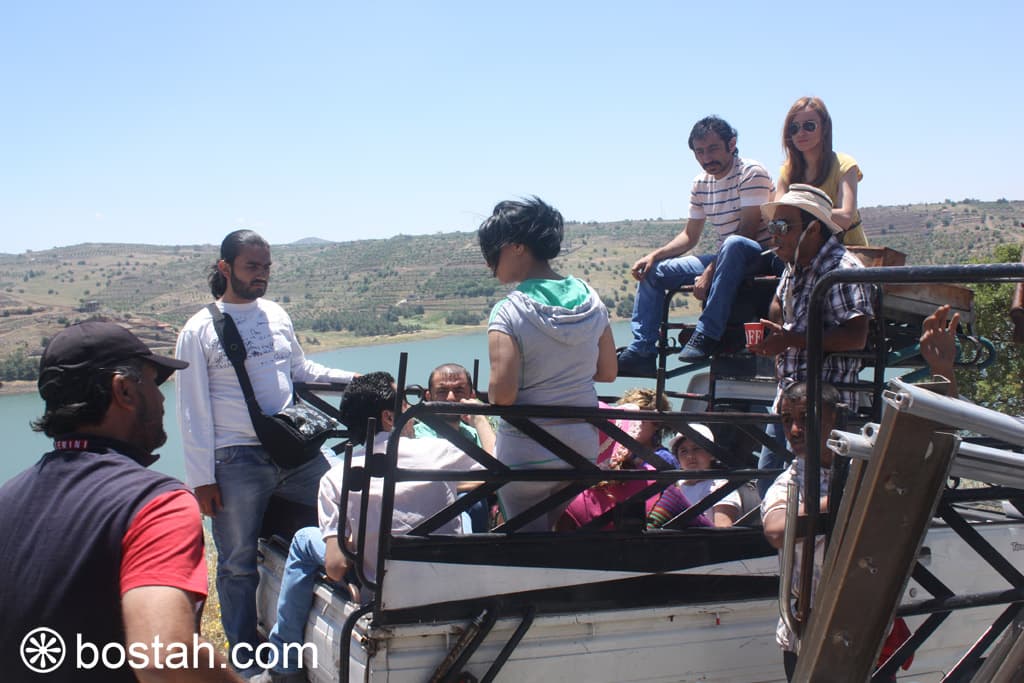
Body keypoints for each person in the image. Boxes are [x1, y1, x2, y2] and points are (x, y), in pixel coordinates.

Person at [0, 322, 241, 681]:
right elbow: (163, 656)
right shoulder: (156, 504)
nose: (162, 398)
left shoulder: (7, 498)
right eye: (154, 383)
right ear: (124, 390)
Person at [175, 229, 357, 677]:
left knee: (349, 512)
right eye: (252, 266)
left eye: (266, 267)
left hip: (294, 452)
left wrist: (359, 381)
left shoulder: (275, 314)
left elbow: (300, 371)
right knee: (237, 564)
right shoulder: (199, 329)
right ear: (225, 268)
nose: (261, 275)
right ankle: (245, 660)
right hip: (236, 459)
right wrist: (202, 479)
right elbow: (192, 409)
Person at [258, 372, 478, 681]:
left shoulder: (335, 478)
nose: (412, 414)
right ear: (389, 417)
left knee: (304, 539)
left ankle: (284, 665)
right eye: (405, 405)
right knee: (463, 516)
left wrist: (351, 545)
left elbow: (336, 567)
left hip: (381, 593)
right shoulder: (438, 452)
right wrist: (480, 418)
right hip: (445, 586)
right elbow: (500, 463)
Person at [479, 196, 617, 531]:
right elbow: (608, 372)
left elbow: (503, 396)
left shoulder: (508, 311)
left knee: (524, 539)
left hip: (526, 451)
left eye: (492, 251)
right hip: (581, 450)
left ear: (517, 247)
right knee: (550, 536)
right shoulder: (592, 301)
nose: (489, 263)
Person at [762, 382, 910, 681]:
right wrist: (845, 498)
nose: (795, 430)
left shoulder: (867, 466)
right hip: (811, 634)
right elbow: (776, 530)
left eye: (806, 418)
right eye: (787, 420)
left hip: (868, 629)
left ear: (837, 417)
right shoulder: (790, 482)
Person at [617, 116, 780, 375]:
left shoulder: (751, 172)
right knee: (654, 272)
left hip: (758, 255)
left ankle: (707, 334)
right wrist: (654, 256)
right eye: (700, 152)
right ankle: (642, 351)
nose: (706, 158)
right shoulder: (701, 183)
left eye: (713, 149)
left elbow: (748, 231)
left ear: (731, 144)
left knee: (734, 243)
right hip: (724, 257)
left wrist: (708, 272)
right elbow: (689, 236)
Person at [749, 184, 873, 496]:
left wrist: (790, 339)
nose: (774, 236)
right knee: (769, 484)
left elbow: (856, 336)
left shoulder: (842, 270)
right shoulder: (794, 269)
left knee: (817, 495)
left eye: (782, 226)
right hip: (788, 401)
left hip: (824, 410)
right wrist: (773, 332)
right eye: (771, 227)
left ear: (813, 229)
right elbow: (779, 308)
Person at [557, 388, 707, 531]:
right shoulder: (637, 461)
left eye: (640, 419)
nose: (636, 424)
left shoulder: (662, 459)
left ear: (657, 424)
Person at [414, 362, 496, 531]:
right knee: (471, 501)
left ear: (471, 395)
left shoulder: (474, 433)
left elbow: (499, 470)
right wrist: (484, 483)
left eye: (459, 391)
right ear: (429, 396)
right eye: (442, 391)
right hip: (430, 521)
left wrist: (480, 419)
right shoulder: (417, 436)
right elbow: (431, 486)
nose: (451, 398)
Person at [776, 96, 868, 247]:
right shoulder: (787, 171)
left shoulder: (845, 165)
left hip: (847, 251)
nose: (800, 133)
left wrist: (798, 214)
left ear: (824, 128)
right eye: (794, 128)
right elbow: (777, 215)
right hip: (803, 253)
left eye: (809, 126)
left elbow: (845, 217)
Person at [669, 424, 743, 527]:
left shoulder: (722, 487)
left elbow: (723, 529)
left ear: (712, 454)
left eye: (696, 448)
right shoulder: (675, 487)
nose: (690, 456)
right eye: (683, 451)